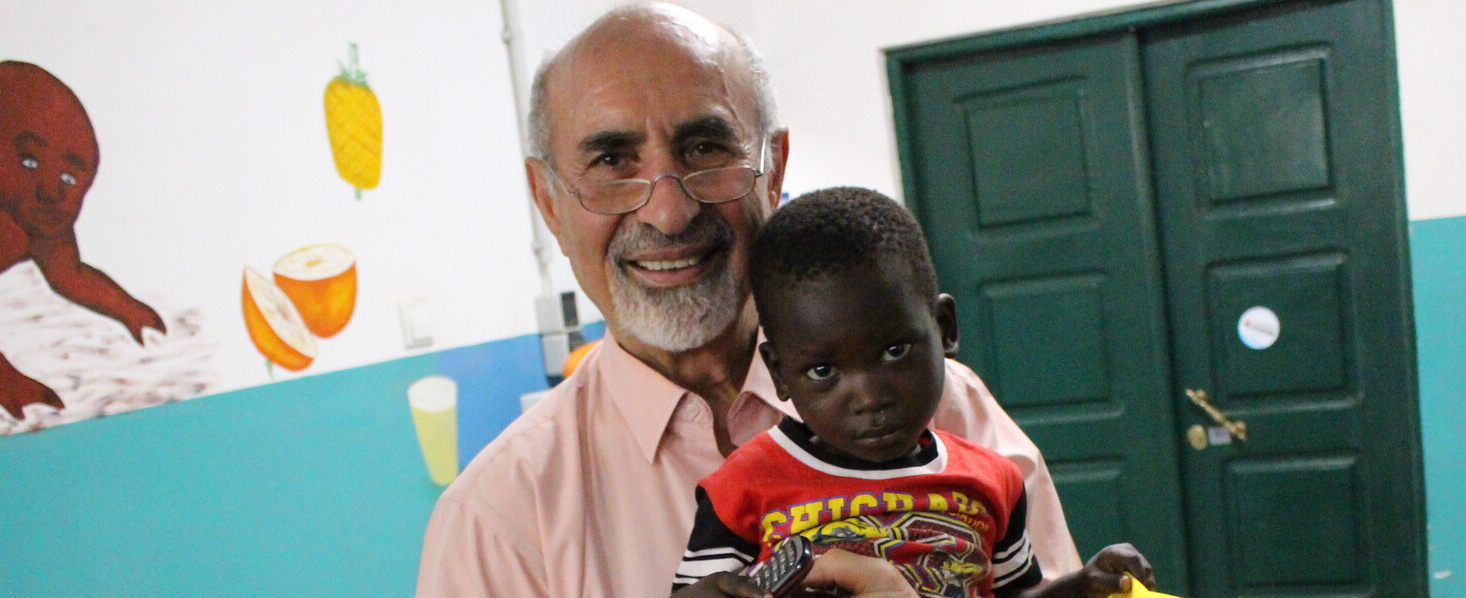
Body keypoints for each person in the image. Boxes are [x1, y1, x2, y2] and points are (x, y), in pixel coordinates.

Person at [414, 4, 1080, 596]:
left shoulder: (947, 405)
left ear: (776, 166)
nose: (669, 211)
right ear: (549, 202)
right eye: (612, 162)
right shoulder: (500, 518)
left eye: (706, 146)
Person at [671, 188, 1154, 598]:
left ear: (944, 329)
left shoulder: (992, 481)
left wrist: (1082, 585)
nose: (869, 395)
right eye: (823, 370)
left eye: (895, 350)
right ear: (779, 373)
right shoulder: (742, 487)